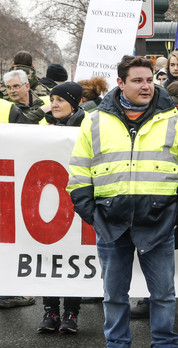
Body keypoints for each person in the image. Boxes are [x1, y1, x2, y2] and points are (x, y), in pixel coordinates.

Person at [67, 55, 178, 347]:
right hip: (111, 224)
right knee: (114, 296)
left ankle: (165, 344)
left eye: (149, 80)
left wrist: (173, 215)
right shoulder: (94, 122)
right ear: (120, 83)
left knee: (164, 296)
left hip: (158, 224)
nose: (146, 87)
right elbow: (79, 175)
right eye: (137, 80)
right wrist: (94, 215)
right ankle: (117, 344)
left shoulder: (177, 122)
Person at [37, 81, 86, 333]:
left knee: (72, 256)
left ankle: (71, 314)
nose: (53, 104)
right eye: (52, 99)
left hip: (76, 199)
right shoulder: (41, 126)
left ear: (74, 103)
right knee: (48, 256)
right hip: (47, 201)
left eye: (60, 100)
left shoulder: (86, 126)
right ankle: (50, 311)